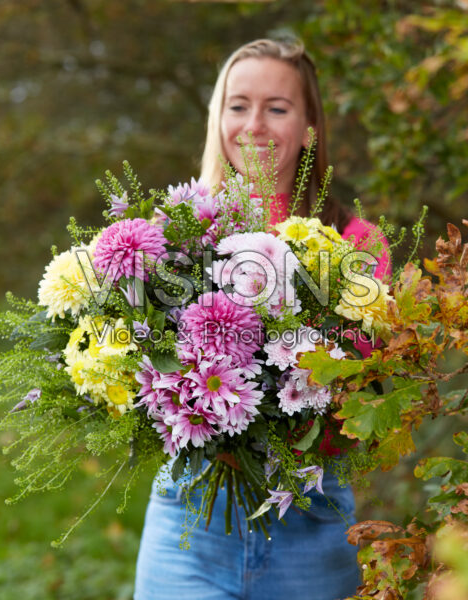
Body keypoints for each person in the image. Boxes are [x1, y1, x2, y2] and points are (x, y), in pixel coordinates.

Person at [134, 39, 391, 600]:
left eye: (277, 108)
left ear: (308, 127)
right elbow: (138, 366)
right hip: (189, 517)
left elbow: (360, 393)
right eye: (238, 105)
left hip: (311, 518)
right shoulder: (171, 236)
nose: (254, 125)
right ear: (217, 118)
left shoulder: (356, 246)